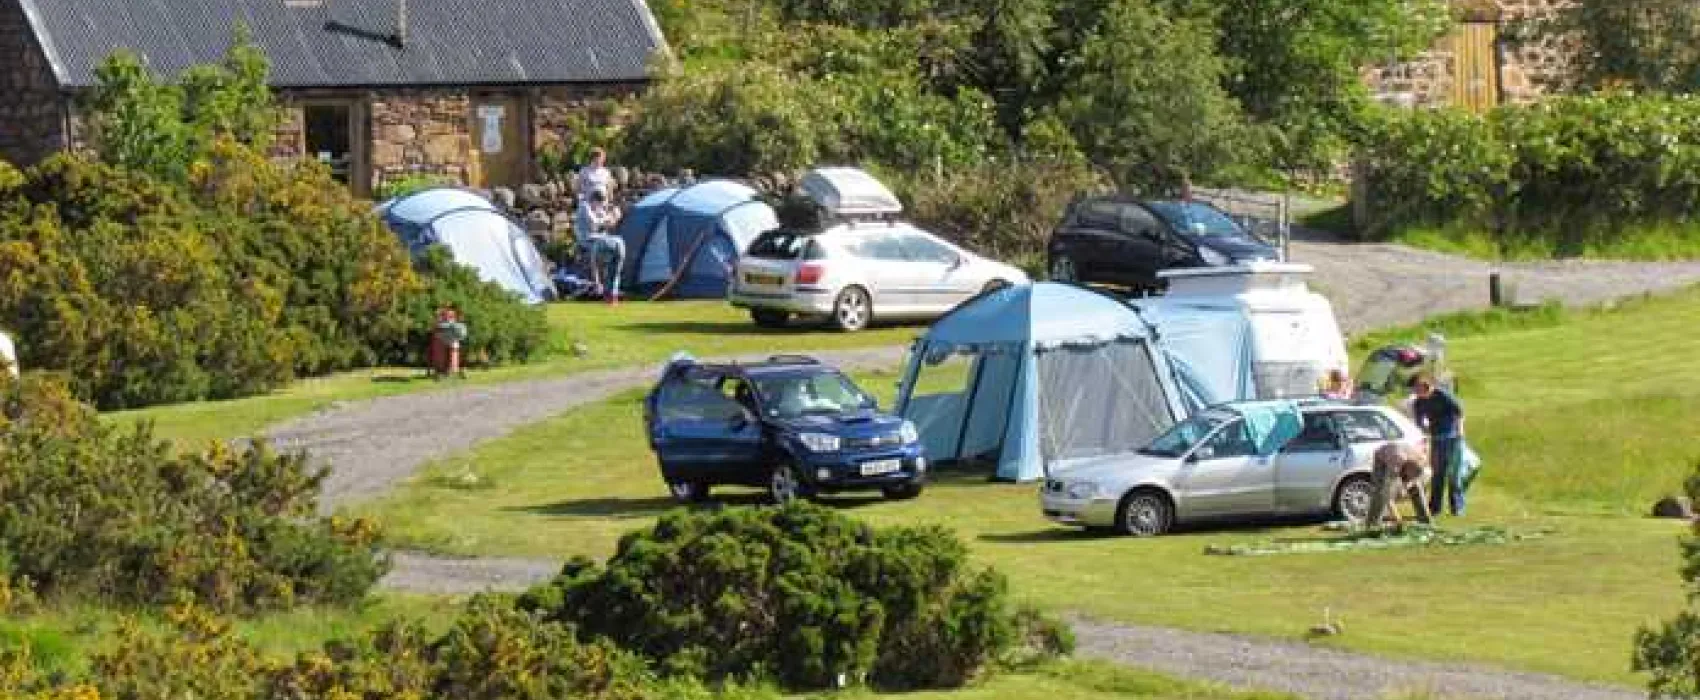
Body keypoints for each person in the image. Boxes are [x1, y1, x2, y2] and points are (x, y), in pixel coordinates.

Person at [1411, 375, 1466, 516]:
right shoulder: (1418, 403)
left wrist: (1460, 430)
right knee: (1437, 475)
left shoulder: (1443, 396)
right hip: (1436, 439)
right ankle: (1435, 508)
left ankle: (1457, 507)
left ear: (1428, 388)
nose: (1417, 393)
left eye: (1419, 390)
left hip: (1453, 437)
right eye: (1416, 390)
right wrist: (1424, 433)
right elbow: (1419, 422)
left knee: (1454, 474)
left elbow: (1459, 411)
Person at [1365, 441, 1432, 527]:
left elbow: (1415, 478)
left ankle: (1425, 520)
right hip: (1381, 458)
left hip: (1402, 456)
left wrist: (1410, 483)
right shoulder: (1396, 461)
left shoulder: (1419, 459)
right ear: (1409, 467)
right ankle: (1372, 523)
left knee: (1416, 488)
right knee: (1381, 492)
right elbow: (1387, 492)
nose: (1410, 478)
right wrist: (1398, 519)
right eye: (1411, 475)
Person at [578, 189, 625, 304]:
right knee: (597, 257)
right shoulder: (584, 206)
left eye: (603, 204)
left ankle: (612, 293)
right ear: (594, 200)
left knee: (619, 244)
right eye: (600, 203)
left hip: (601, 239)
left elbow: (610, 224)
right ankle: (598, 286)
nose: (601, 206)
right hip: (588, 240)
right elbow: (593, 222)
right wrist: (607, 218)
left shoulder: (599, 208)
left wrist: (615, 216)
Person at [431, 305, 469, 379]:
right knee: (443, 357)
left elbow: (461, 332)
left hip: (452, 341)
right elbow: (437, 328)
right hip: (444, 342)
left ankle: (453, 370)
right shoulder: (441, 323)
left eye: (451, 315)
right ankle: (444, 371)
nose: (449, 317)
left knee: (453, 354)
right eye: (448, 315)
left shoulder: (457, 324)